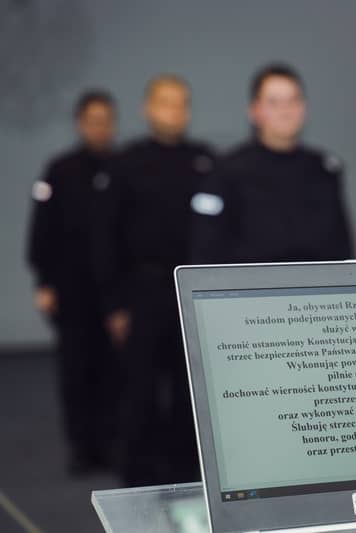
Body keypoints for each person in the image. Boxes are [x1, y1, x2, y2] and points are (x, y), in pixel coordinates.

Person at [93, 75, 215, 486]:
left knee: (190, 389)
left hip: (190, 291)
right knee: (139, 389)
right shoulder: (125, 163)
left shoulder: (205, 161)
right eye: (166, 102)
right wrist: (114, 304)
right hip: (141, 290)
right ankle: (137, 479)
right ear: (148, 108)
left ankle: (187, 475)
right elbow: (105, 236)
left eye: (182, 103)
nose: (174, 111)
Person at [26, 90, 119, 475]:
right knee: (75, 370)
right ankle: (81, 448)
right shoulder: (59, 169)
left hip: (112, 291)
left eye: (106, 120)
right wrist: (44, 282)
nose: (100, 128)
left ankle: (111, 444)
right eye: (93, 121)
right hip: (71, 288)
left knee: (113, 370)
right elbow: (42, 229)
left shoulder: (122, 168)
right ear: (80, 123)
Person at [191, 63, 353, 263]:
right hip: (250, 281)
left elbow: (342, 246)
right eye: (274, 102)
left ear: (304, 108)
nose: (285, 111)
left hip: (318, 281)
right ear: (254, 111)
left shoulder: (324, 169)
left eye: (293, 101)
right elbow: (206, 248)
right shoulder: (227, 171)